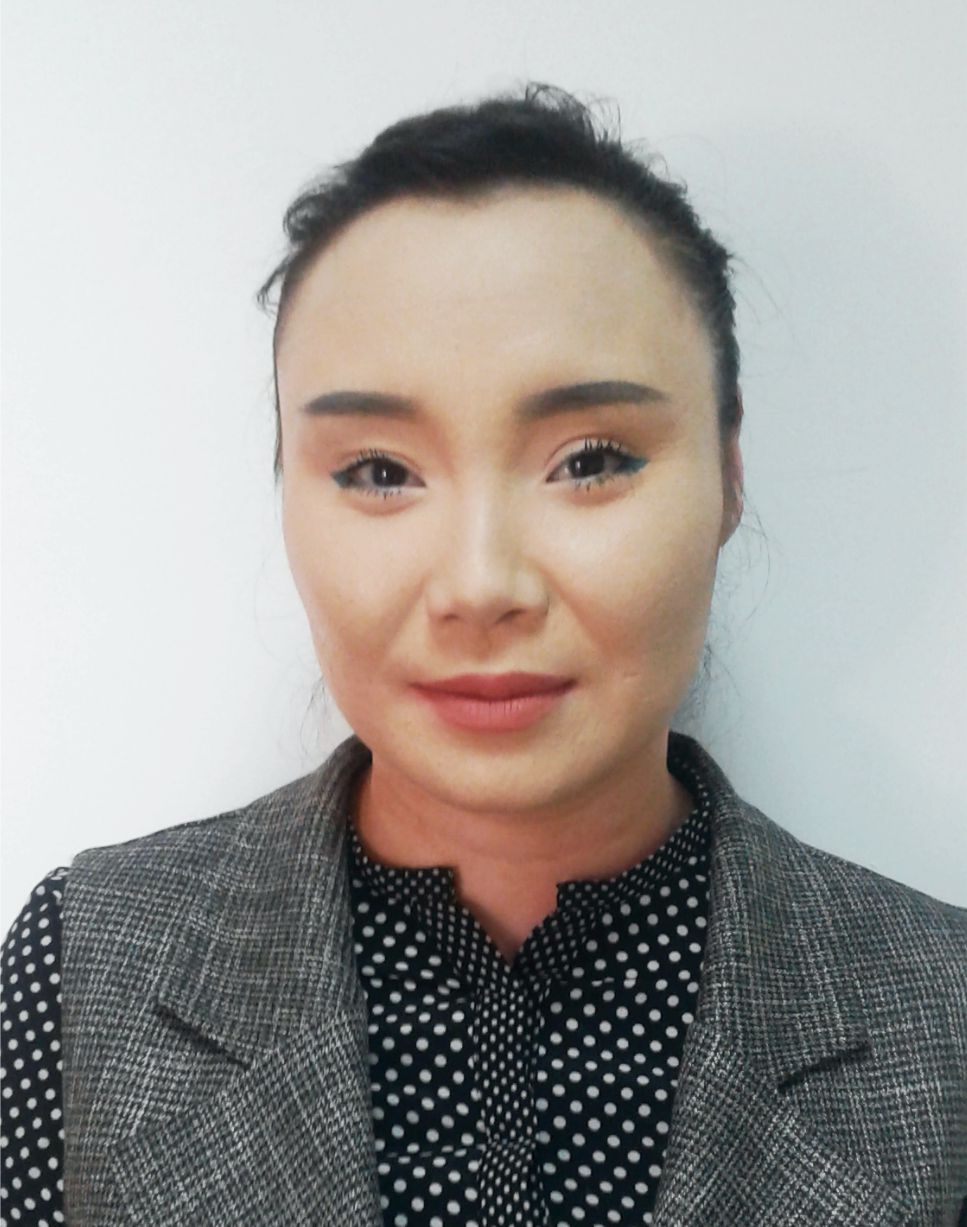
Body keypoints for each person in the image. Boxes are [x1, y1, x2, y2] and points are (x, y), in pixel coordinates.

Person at [2, 83, 964, 1227]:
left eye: (590, 459)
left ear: (727, 477)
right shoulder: (87, 966)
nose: (478, 586)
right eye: (378, 471)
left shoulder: (940, 1016)